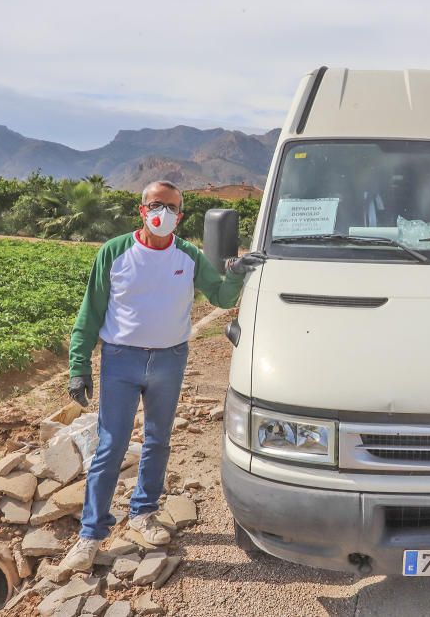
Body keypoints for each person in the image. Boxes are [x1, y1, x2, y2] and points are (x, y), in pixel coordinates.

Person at [61, 180, 263, 570]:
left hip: (170, 360)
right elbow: (90, 313)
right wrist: (78, 366)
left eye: (172, 208)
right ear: (142, 209)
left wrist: (236, 273)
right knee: (111, 445)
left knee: (157, 440)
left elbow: (220, 298)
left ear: (181, 216)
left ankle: (143, 512)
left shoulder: (188, 255)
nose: (164, 214)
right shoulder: (115, 253)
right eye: (157, 205)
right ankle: (90, 534)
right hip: (121, 360)